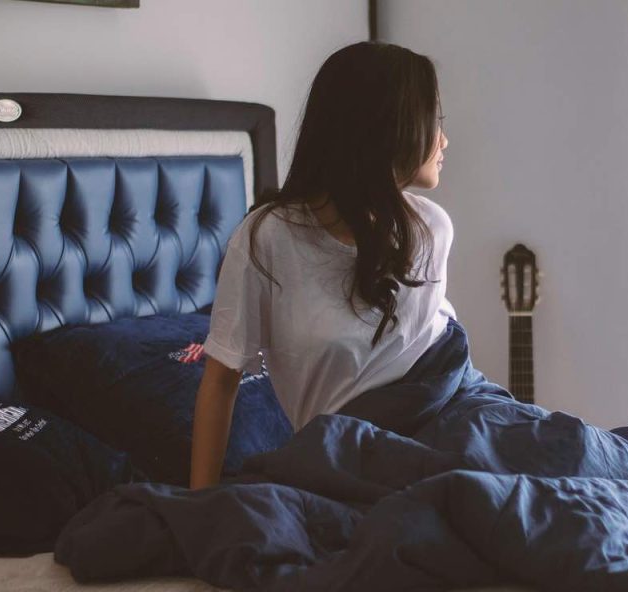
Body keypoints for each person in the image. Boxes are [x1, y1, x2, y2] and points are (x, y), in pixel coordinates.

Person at [190, 41, 452, 489]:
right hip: (347, 460)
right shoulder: (266, 238)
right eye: (435, 122)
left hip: (451, 423)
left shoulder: (430, 227)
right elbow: (220, 380)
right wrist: (199, 507)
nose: (444, 140)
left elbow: (434, 358)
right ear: (388, 127)